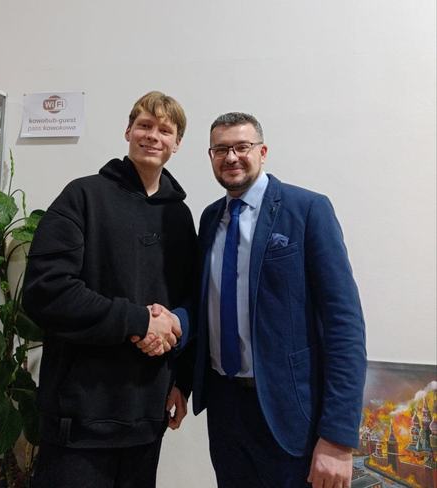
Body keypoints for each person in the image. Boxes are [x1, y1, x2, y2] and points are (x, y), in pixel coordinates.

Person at [22, 91, 197, 488]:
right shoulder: (82, 196)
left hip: (147, 416)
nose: (153, 136)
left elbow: (189, 301)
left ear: (177, 144)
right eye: (144, 125)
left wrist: (181, 382)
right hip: (79, 419)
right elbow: (47, 291)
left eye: (164, 130)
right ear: (128, 131)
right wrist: (138, 321)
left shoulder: (180, 216)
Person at [191, 112, 367, 488]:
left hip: (291, 414)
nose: (231, 157)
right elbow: (202, 307)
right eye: (220, 149)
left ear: (263, 151)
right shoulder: (209, 219)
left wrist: (338, 437)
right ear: (210, 156)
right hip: (225, 412)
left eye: (242, 146)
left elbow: (344, 324)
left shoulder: (307, 209)